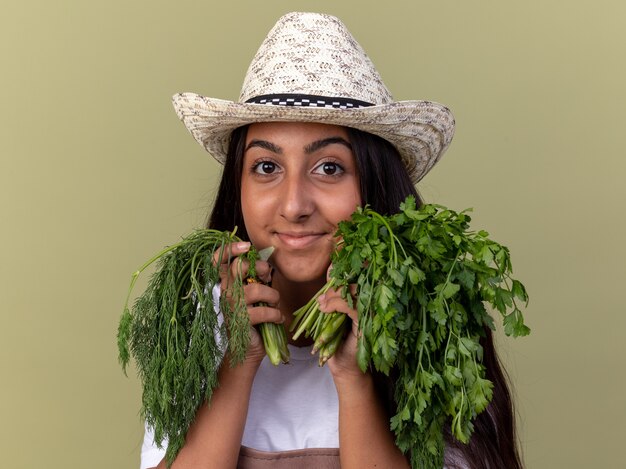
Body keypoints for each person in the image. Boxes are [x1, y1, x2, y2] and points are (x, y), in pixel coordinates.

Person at [140, 11, 523, 469]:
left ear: (374, 185)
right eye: (266, 167)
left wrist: (354, 379)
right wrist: (236, 363)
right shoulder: (199, 319)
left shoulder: (432, 324)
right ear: (237, 187)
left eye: (329, 168)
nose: (294, 205)